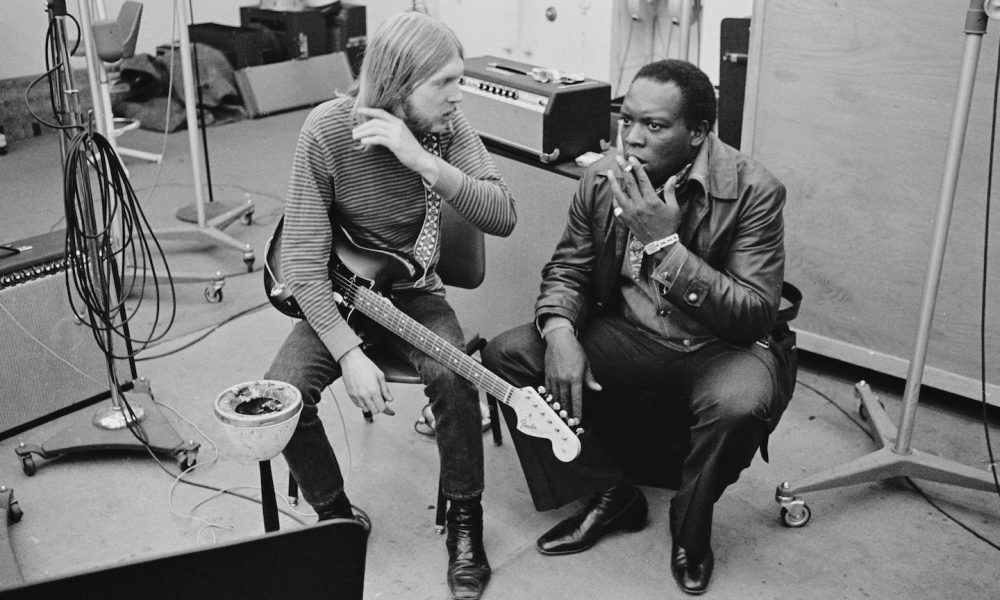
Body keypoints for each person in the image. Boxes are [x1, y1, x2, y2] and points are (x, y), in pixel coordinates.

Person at [481, 58, 791, 596]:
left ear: (698, 133)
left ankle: (690, 530)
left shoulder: (754, 191)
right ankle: (608, 494)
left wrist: (665, 246)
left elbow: (754, 311)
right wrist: (558, 331)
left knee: (741, 404)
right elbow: (568, 269)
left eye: (654, 126)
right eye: (627, 121)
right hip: (631, 332)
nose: (633, 138)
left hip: (721, 345)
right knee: (510, 355)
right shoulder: (602, 176)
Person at [264, 11, 516, 600]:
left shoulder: (448, 131)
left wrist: (424, 161)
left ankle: (464, 520)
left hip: (413, 295)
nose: (460, 95)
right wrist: (347, 352)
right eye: (445, 83)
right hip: (340, 297)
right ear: (400, 85)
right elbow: (302, 259)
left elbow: (502, 215)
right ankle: (335, 517)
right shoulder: (326, 131)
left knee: (455, 376)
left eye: (460, 79)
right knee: (279, 399)